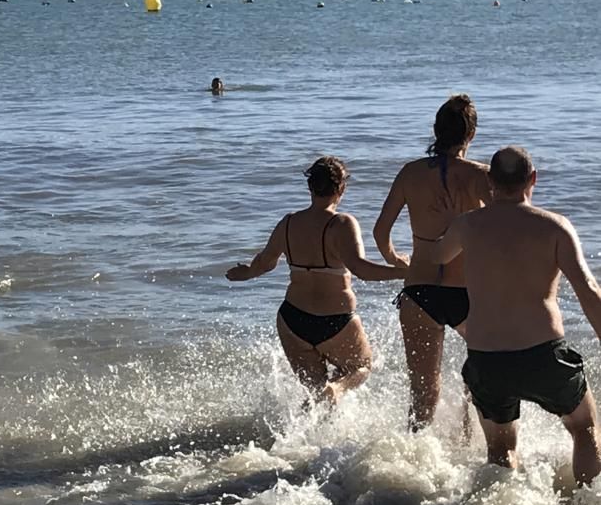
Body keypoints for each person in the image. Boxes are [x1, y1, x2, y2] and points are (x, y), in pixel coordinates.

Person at [431, 146, 601, 484]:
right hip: (544, 356)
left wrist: (453, 222)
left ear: (490, 181)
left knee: (500, 447)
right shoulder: (555, 228)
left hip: (487, 360)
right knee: (584, 428)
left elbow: (437, 255)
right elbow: (588, 291)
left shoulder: (467, 226)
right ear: (533, 179)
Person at [227, 157, 406, 405]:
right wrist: (405, 272)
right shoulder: (342, 223)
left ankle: (301, 440)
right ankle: (338, 389)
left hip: (292, 320)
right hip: (335, 321)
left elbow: (265, 264)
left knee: (315, 394)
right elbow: (361, 269)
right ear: (341, 188)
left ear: (310, 187)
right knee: (360, 369)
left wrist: (244, 273)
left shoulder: (288, 223)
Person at [373, 94, 491, 431]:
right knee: (482, 383)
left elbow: (381, 230)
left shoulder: (410, 173)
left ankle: (409, 464)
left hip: (420, 290)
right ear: (471, 135)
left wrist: (396, 260)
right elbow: (504, 228)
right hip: (470, 293)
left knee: (423, 394)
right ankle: (472, 448)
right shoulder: (481, 176)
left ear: (435, 130)